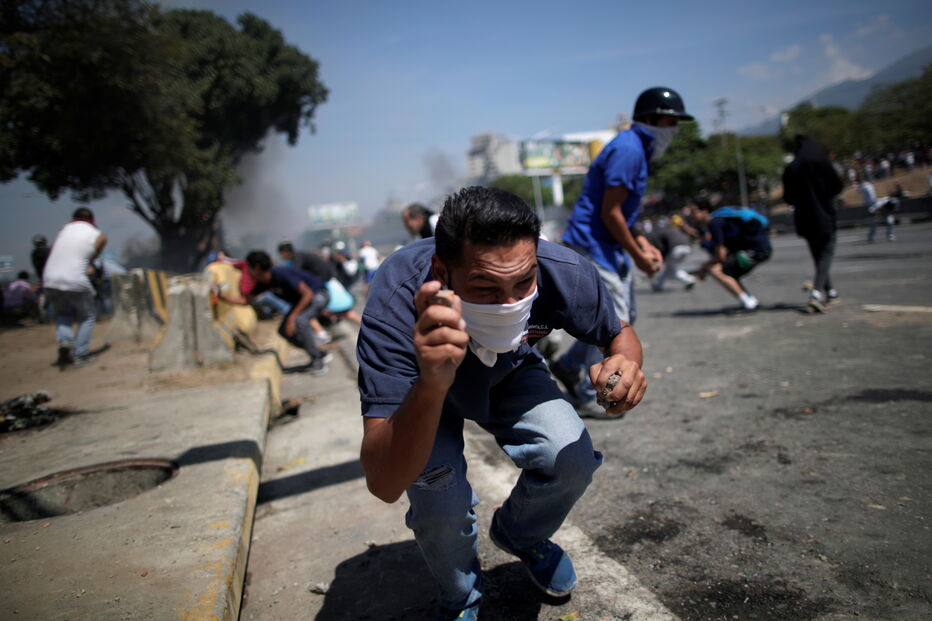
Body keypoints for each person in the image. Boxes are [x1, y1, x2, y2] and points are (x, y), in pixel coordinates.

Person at [357, 186, 647, 620]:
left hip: (510, 371)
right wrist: (434, 381)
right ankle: (462, 597)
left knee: (570, 455)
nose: (510, 303)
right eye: (485, 287)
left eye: (523, 283)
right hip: (421, 394)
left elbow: (616, 331)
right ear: (442, 270)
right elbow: (383, 481)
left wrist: (624, 366)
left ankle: (522, 534)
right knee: (438, 496)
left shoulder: (563, 271)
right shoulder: (396, 301)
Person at [550, 86, 691, 417]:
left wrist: (641, 244)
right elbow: (610, 212)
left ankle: (571, 366)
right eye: (671, 122)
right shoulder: (630, 150)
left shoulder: (636, 148)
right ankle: (587, 393)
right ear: (653, 119)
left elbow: (623, 212)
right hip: (593, 243)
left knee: (619, 320)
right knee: (613, 323)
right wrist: (639, 255)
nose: (674, 130)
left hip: (604, 244)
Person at [782, 135, 844, 313]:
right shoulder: (820, 162)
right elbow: (836, 187)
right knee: (826, 253)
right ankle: (817, 293)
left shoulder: (792, 168)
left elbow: (788, 198)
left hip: (804, 219)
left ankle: (830, 292)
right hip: (824, 215)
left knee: (818, 256)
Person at [245, 250, 332, 376]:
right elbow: (246, 300)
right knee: (283, 331)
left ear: (257, 268)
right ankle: (319, 353)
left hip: (319, 294)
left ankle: (318, 361)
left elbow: (307, 294)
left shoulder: (281, 274)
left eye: (248, 268)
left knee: (300, 320)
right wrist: (222, 296)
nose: (247, 272)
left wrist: (291, 317)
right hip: (303, 301)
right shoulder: (264, 282)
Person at [42, 207, 107, 367]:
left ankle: (65, 342)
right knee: (87, 316)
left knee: (63, 314)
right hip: (75, 278)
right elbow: (102, 240)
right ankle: (80, 354)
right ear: (92, 220)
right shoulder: (93, 231)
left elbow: (51, 249)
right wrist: (92, 256)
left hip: (50, 278)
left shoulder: (64, 230)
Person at [691, 203, 772, 311]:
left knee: (716, 270)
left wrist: (703, 267)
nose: (691, 216)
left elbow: (721, 255)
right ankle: (750, 301)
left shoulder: (715, 223)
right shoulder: (720, 220)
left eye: (694, 212)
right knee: (729, 272)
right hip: (761, 248)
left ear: (705, 211)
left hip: (756, 250)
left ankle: (749, 303)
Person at [278, 241, 336, 343]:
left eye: (281, 253)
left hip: (320, 281)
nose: (280, 256)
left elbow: (295, 275)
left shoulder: (297, 258)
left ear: (285, 252)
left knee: (305, 309)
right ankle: (320, 332)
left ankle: (321, 334)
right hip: (320, 280)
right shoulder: (298, 256)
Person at [643, 217, 696, 291]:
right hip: (687, 247)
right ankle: (658, 285)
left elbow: (661, 247)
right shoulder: (672, 229)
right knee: (669, 268)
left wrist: (661, 257)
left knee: (672, 269)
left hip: (677, 249)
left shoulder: (661, 232)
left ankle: (689, 279)